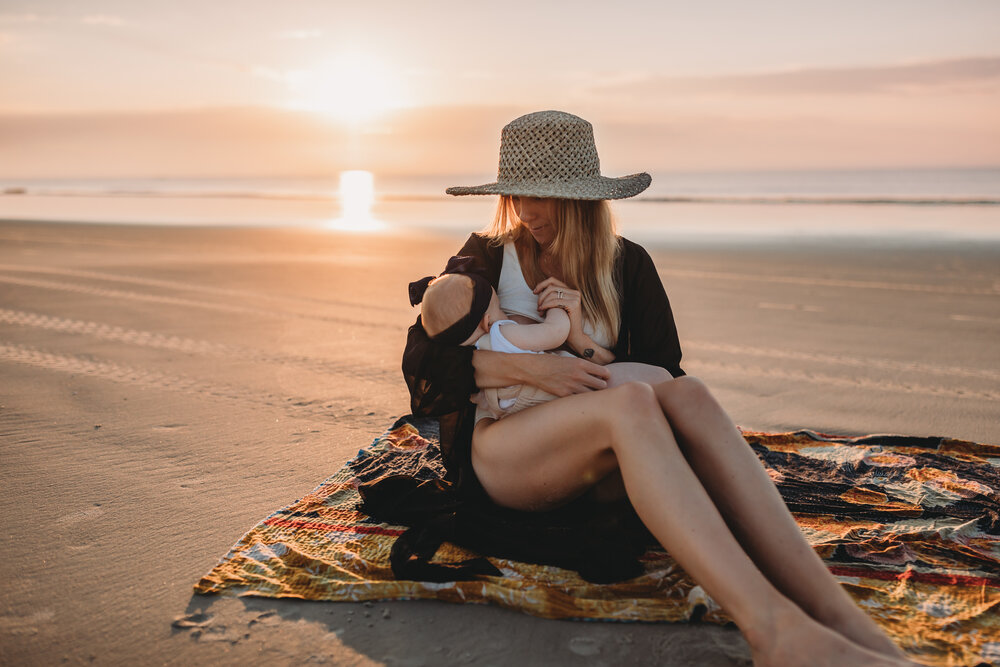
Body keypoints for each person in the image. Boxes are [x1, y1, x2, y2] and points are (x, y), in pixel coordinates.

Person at [402, 110, 915, 666]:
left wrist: (579, 345)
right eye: (518, 193)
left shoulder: (628, 266)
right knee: (628, 404)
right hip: (505, 450)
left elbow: (663, 373)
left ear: (581, 197)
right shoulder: (486, 254)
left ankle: (837, 616)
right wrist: (532, 370)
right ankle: (774, 630)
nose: (527, 211)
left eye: (543, 195)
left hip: (595, 454)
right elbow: (424, 362)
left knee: (689, 395)